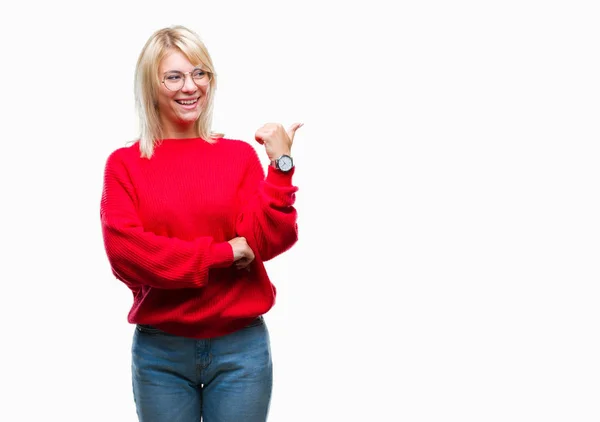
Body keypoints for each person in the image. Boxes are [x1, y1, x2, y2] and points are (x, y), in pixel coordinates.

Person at [99, 25, 301, 422]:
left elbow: (268, 240)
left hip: (241, 348)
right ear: (150, 86)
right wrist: (224, 252)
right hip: (161, 353)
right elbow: (129, 255)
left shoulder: (238, 156)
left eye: (200, 73)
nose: (190, 87)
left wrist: (280, 167)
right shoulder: (124, 165)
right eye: (174, 76)